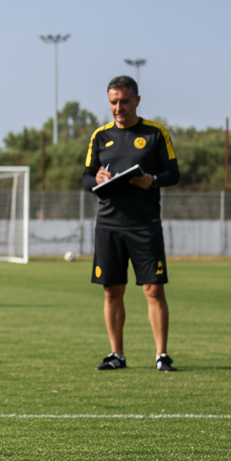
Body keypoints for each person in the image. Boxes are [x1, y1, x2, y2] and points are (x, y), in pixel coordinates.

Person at [83, 75, 180, 372]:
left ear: (137, 101)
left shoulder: (155, 133)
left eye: (124, 101)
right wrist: (96, 178)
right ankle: (117, 355)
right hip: (109, 225)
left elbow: (173, 173)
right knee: (112, 290)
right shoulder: (100, 136)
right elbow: (86, 177)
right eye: (113, 102)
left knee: (153, 289)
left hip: (144, 224)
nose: (118, 108)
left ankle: (162, 356)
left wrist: (152, 180)